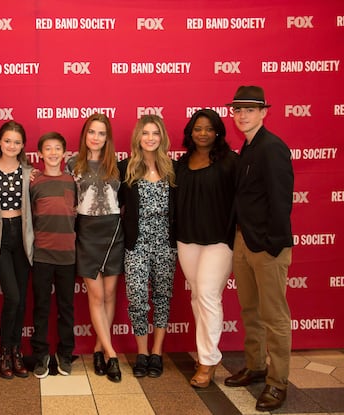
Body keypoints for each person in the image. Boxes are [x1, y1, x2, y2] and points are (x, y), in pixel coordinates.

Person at [224, 86, 294, 412]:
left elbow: (281, 202)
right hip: (243, 241)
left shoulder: (272, 148)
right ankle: (256, 366)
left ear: (264, 112)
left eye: (250, 109)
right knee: (250, 311)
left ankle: (278, 383)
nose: (242, 115)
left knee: (274, 317)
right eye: (238, 110)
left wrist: (273, 245)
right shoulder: (247, 148)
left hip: (267, 246)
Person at [174, 109, 238, 388]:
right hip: (186, 239)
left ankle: (208, 361)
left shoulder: (230, 162)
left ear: (218, 132)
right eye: (197, 128)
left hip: (219, 240)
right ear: (190, 132)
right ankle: (204, 353)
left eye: (208, 129)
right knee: (198, 296)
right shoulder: (182, 162)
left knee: (209, 295)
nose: (202, 133)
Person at [66, 113, 124, 382]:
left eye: (102, 133)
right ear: (84, 134)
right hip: (86, 233)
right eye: (92, 132)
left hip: (113, 232)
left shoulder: (118, 166)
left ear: (107, 137)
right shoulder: (72, 164)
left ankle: (99, 349)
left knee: (110, 294)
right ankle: (112, 354)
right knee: (96, 296)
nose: (96, 137)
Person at [118, 114, 177, 379]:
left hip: (166, 244)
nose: (150, 138)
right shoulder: (124, 168)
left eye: (155, 133)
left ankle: (157, 352)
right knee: (138, 298)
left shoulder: (175, 169)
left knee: (162, 298)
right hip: (136, 245)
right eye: (145, 133)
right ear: (138, 138)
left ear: (162, 137)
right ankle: (141, 353)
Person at [0, 121, 34, 379]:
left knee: (21, 299)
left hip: (22, 238)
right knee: (12, 297)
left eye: (17, 142)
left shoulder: (29, 172)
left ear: (23, 145)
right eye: (8, 140)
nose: (12, 145)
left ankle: (16, 351)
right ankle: (4, 351)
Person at [29, 132, 77, 379]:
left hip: (68, 256)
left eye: (57, 148)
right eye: (48, 149)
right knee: (41, 307)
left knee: (66, 307)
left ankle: (66, 353)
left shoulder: (72, 181)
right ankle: (40, 355)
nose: (53, 153)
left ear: (64, 153)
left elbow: (77, 214)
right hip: (42, 256)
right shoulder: (34, 182)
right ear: (40, 154)